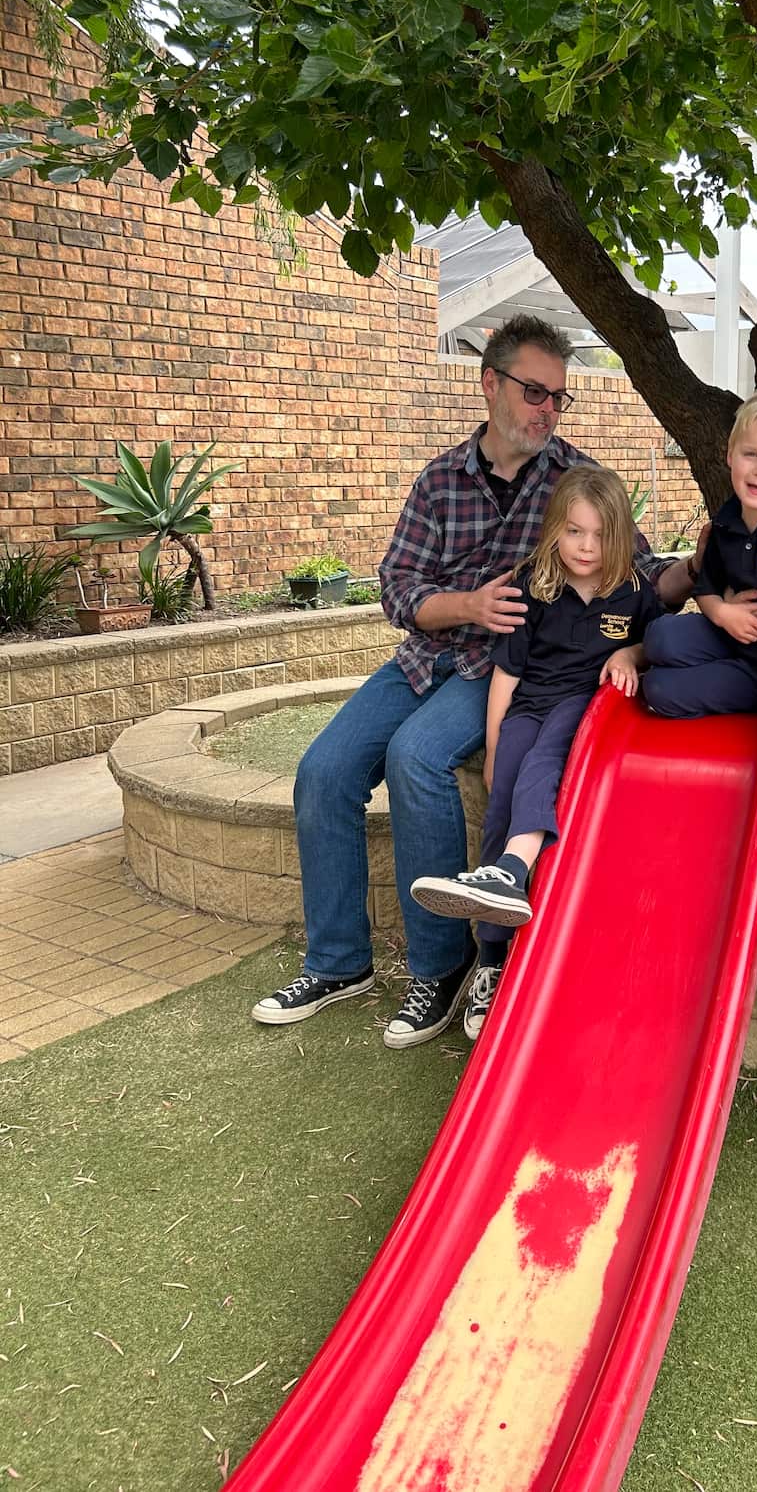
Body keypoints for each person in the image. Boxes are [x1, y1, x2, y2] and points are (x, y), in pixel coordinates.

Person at [251, 315, 699, 1048]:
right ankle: (338, 962)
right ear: (489, 384)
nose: (546, 410)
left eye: (558, 397)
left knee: (418, 759)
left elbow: (637, 571)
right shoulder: (440, 480)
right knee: (323, 769)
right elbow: (397, 588)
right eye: (534, 392)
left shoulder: (573, 479)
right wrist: (468, 604)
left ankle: (439, 969)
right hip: (427, 653)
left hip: (499, 665)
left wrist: (699, 572)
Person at [410, 465, 661, 1040]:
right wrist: (495, 746)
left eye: (599, 535)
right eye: (574, 532)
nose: (586, 547)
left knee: (546, 762)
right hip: (527, 707)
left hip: (587, 710)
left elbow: (657, 640)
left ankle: (513, 871)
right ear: (555, 530)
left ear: (619, 535)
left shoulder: (632, 592)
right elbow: (505, 674)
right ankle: (491, 960)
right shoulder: (532, 585)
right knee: (502, 802)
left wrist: (632, 655)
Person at [642, 387, 757, 737]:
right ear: (730, 454)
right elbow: (705, 589)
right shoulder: (726, 518)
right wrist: (725, 613)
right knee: (659, 636)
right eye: (750, 454)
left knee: (659, 690)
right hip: (729, 634)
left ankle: (752, 688)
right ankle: (668, 662)